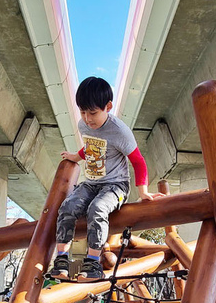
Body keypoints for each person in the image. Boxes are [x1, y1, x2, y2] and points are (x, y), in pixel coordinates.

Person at [51, 76, 163, 281]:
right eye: (83, 112)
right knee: (67, 207)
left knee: (98, 209)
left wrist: (143, 191)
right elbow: (91, 147)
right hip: (92, 183)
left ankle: (93, 264)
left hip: (116, 185)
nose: (87, 118)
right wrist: (75, 157)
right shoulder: (84, 125)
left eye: (93, 112)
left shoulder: (119, 131)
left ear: (108, 106)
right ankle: (61, 261)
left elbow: (138, 161)